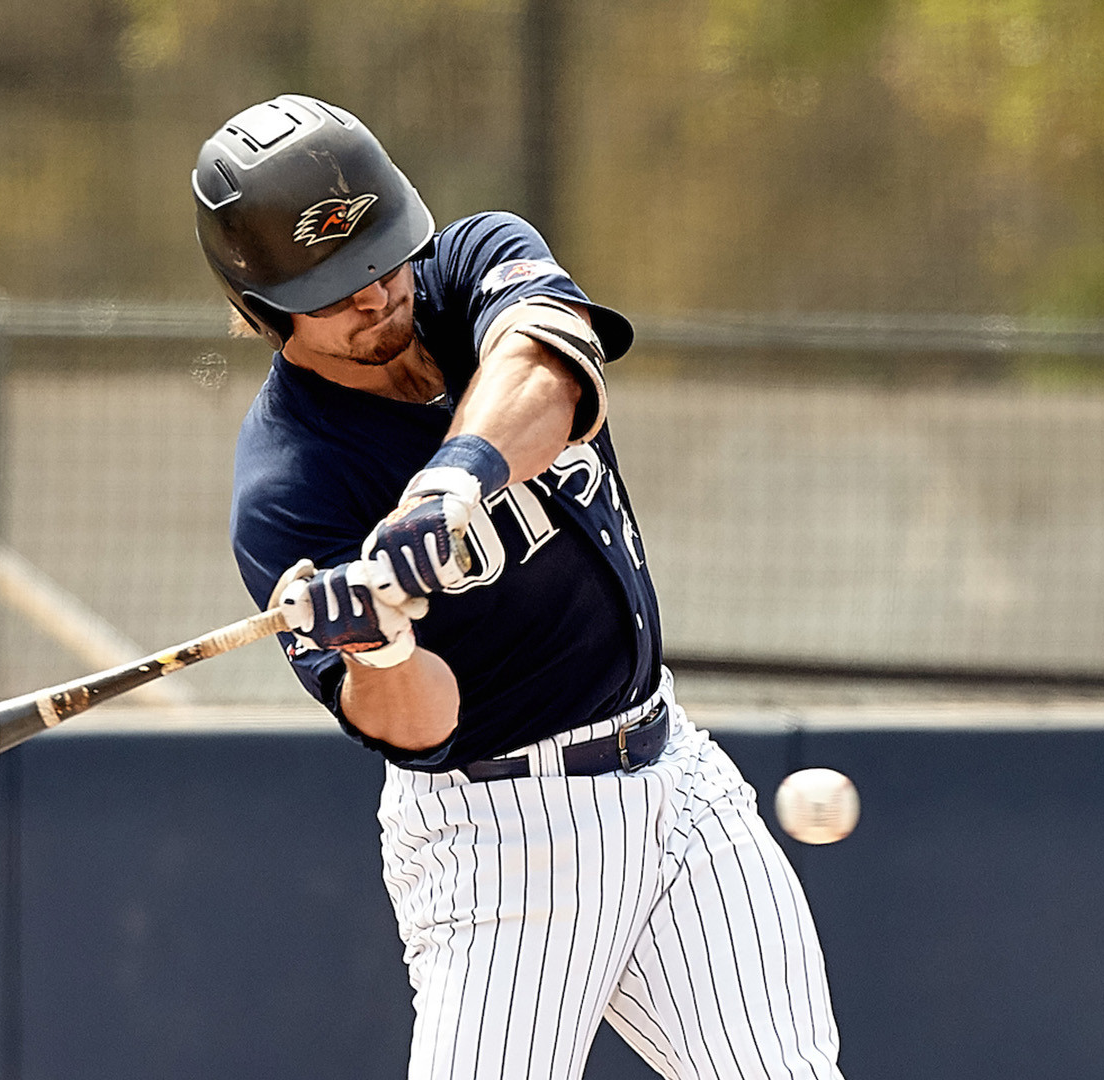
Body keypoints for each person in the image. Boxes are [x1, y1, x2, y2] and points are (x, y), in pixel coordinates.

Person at [197, 94, 843, 1080]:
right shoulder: (291, 491)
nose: (374, 299)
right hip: (505, 835)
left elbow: (552, 370)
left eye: (379, 261)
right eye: (331, 291)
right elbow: (421, 730)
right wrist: (382, 647)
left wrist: (448, 489)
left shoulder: (469, 266)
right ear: (261, 309)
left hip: (672, 771)